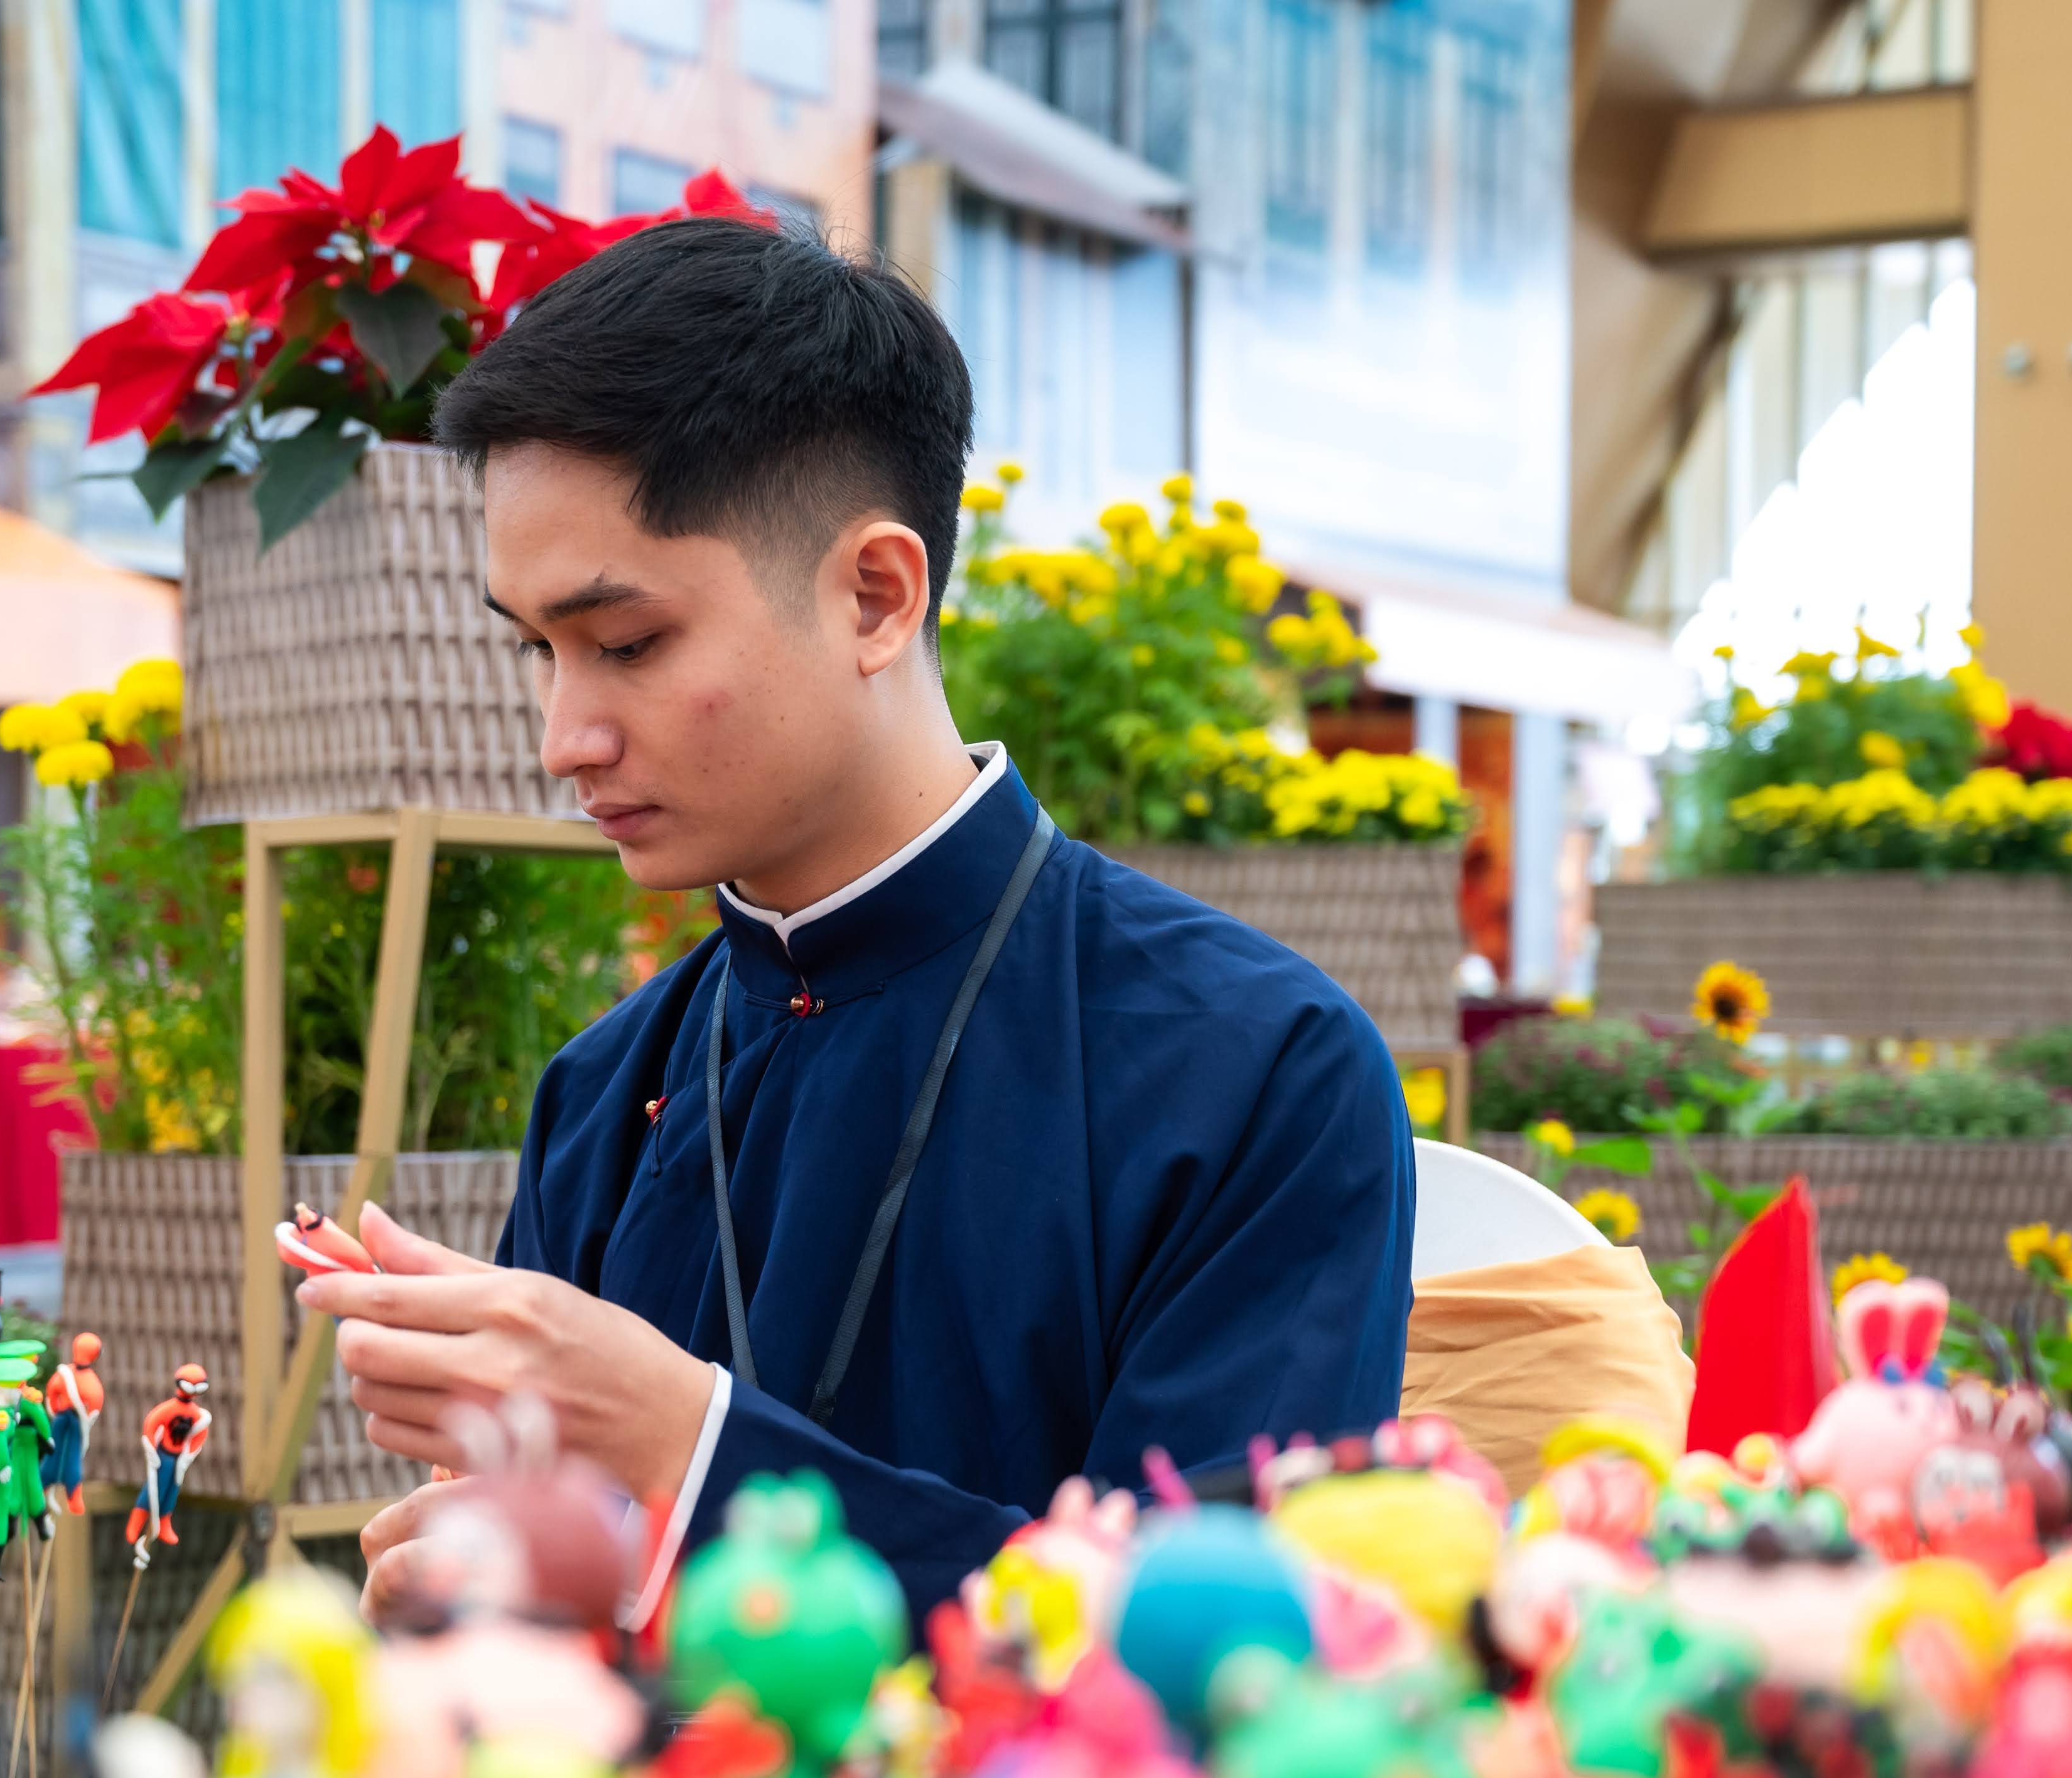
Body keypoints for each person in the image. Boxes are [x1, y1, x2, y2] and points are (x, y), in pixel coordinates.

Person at [306, 216, 1414, 1624]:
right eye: (538, 648)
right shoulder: (599, 1095)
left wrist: (687, 1449)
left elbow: (1225, 1650)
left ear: (876, 596)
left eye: (627, 643)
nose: (563, 737)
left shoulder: (1255, 1068)